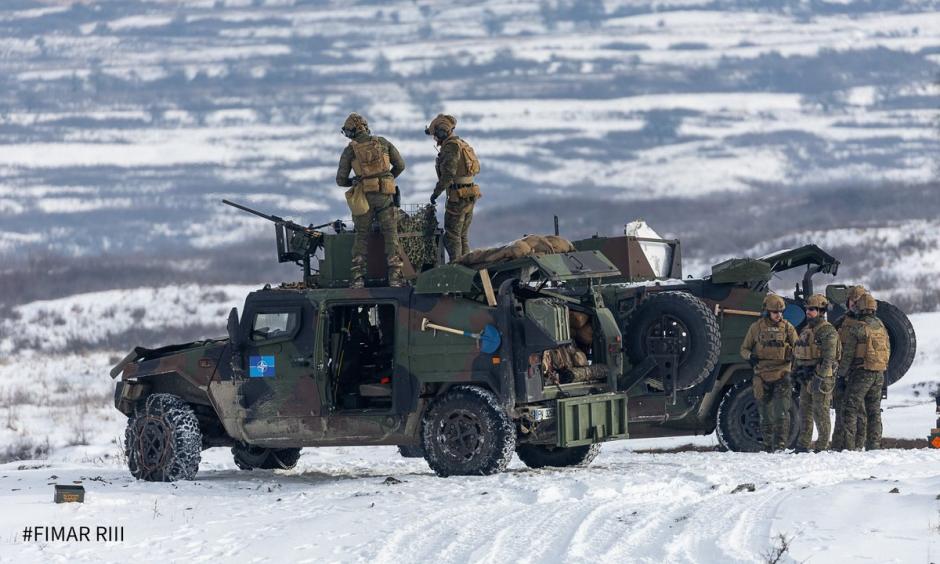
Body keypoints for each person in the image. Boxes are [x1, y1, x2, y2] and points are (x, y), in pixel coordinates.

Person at [335, 112, 406, 288]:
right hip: (385, 197)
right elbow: (401, 165)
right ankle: (395, 278)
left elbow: (340, 180)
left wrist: (355, 181)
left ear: (351, 132)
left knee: (361, 236)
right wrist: (388, 179)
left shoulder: (350, 150)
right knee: (391, 235)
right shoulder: (383, 142)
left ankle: (358, 278)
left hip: (364, 198)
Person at [740, 294, 799, 452]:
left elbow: (799, 348)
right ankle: (767, 447)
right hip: (762, 375)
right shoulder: (756, 328)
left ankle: (780, 446)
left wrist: (793, 358)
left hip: (782, 374)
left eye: (780, 312)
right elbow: (744, 349)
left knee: (781, 412)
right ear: (767, 311)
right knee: (765, 414)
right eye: (775, 312)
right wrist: (750, 357)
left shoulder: (788, 327)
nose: (778, 315)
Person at [837, 292, 890, 450]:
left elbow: (848, 355)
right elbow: (888, 348)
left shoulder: (858, 327)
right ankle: (873, 445)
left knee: (849, 408)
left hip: (862, 373)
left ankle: (849, 447)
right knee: (874, 411)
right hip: (879, 373)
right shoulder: (881, 326)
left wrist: (841, 374)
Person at [426, 114, 481, 262]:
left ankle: (456, 268)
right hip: (469, 194)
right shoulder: (462, 143)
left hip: (458, 197)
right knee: (461, 236)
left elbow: (448, 175)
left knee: (451, 237)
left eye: (435, 134)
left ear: (442, 132)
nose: (435, 138)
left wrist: (435, 193)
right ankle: (467, 265)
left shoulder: (451, 146)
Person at [793, 294, 841, 452]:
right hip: (806, 376)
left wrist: (820, 378)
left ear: (821, 311)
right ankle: (803, 445)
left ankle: (822, 446)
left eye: (812, 309)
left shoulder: (827, 331)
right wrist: (795, 372)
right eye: (807, 309)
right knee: (804, 411)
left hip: (821, 377)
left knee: (821, 412)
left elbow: (829, 358)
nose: (808, 312)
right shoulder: (806, 330)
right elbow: (799, 352)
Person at [831, 285, 868, 450]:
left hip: (859, 372)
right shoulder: (841, 321)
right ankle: (839, 446)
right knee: (840, 410)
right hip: (842, 371)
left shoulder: (869, 323)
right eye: (851, 300)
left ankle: (857, 446)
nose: (853, 304)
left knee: (858, 411)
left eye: (857, 300)